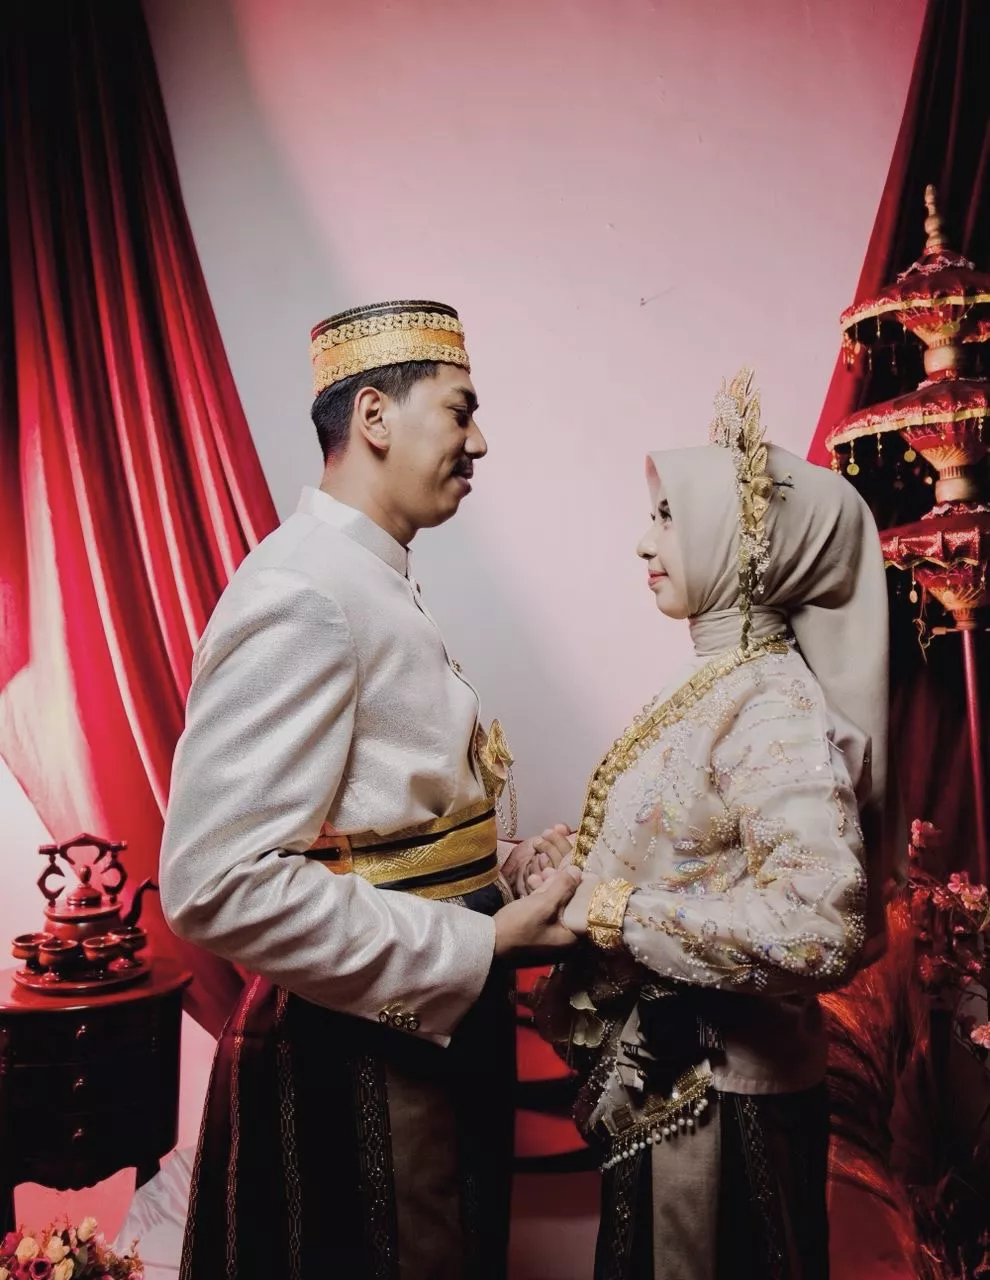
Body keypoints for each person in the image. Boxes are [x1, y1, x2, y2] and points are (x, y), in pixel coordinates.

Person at [159, 300, 579, 1280]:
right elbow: (214, 881)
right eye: (461, 410)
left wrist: (503, 869)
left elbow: (378, 825)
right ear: (376, 416)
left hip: (425, 1044)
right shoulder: (304, 590)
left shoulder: (368, 574)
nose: (480, 442)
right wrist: (479, 942)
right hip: (358, 1079)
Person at [531, 370, 888, 1280]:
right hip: (674, 1087)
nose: (642, 541)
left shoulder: (768, 701)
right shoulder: (721, 682)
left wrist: (613, 909)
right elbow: (695, 847)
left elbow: (821, 922)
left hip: (723, 1108)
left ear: (740, 541)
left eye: (668, 518)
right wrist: (573, 866)